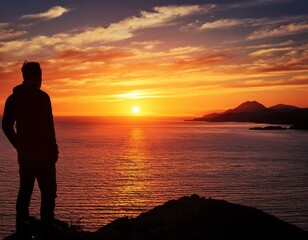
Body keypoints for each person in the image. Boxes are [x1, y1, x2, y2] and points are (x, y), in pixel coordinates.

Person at [2, 61, 58, 240]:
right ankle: (47, 229)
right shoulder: (43, 97)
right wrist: (53, 150)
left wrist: (18, 145)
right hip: (43, 154)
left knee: (25, 190)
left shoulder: (13, 98)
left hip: (25, 154)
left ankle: (22, 230)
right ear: (38, 76)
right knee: (48, 192)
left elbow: (6, 126)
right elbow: (49, 127)